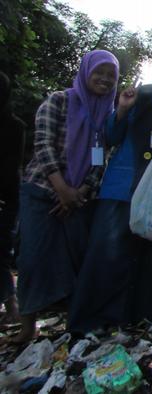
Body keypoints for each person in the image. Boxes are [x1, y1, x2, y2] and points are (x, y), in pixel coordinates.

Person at [68, 48, 152, 333]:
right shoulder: (138, 94)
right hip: (123, 187)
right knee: (109, 255)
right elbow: (111, 136)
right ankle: (97, 322)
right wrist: (121, 109)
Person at [13, 50, 119, 342]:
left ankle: (74, 323)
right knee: (33, 258)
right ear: (86, 72)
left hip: (81, 199)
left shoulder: (106, 117)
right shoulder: (59, 100)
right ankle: (27, 326)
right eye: (99, 72)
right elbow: (43, 144)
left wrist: (80, 192)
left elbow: (101, 161)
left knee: (78, 261)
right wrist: (62, 188)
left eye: (111, 75)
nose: (105, 80)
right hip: (43, 191)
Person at [0, 72, 25, 324]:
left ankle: (12, 307)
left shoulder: (13, 126)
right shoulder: (15, 124)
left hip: (5, 198)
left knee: (1, 254)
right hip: (9, 197)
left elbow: (10, 166)